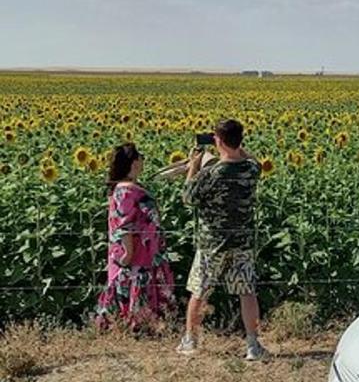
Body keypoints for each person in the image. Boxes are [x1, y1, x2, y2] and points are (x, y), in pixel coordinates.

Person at [178, 119, 267, 360]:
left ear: (217, 140)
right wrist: (239, 151)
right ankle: (253, 345)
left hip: (212, 244)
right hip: (242, 242)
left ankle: (190, 341)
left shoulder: (211, 173)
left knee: (200, 290)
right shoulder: (251, 170)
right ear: (241, 140)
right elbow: (257, 163)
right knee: (246, 292)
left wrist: (193, 166)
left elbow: (188, 197)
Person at [96, 143, 175, 329]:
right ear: (134, 162)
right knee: (133, 282)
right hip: (136, 253)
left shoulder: (130, 187)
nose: (143, 160)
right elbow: (125, 224)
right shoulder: (126, 190)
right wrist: (128, 252)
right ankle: (133, 325)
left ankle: (142, 324)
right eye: (140, 157)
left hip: (146, 252)